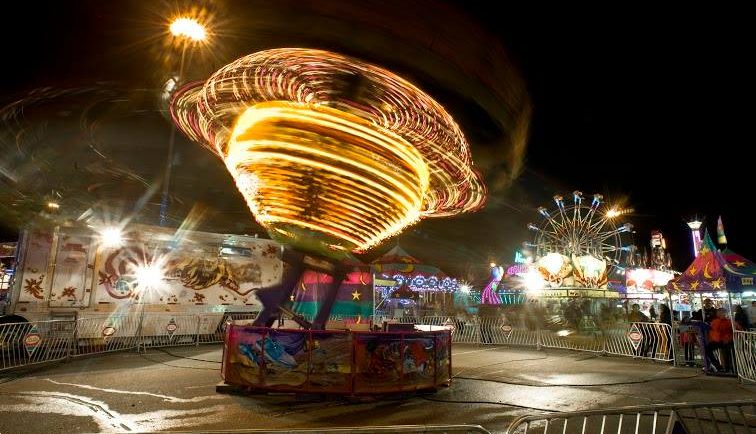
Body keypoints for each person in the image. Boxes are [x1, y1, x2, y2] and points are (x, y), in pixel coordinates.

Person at [707, 308, 735, 373]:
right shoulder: (715, 321)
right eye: (719, 313)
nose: (720, 314)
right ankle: (719, 366)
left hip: (725, 341)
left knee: (726, 353)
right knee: (708, 349)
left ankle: (726, 368)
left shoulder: (728, 322)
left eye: (721, 313)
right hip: (719, 341)